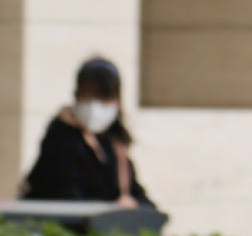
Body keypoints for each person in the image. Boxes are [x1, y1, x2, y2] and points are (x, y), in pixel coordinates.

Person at [21, 57, 153, 207]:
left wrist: (136, 206)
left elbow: (136, 195)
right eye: (88, 95)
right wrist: (112, 208)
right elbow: (65, 195)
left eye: (103, 98)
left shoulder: (114, 142)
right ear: (76, 94)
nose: (95, 105)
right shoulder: (61, 137)